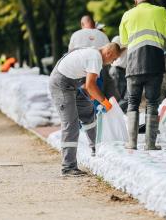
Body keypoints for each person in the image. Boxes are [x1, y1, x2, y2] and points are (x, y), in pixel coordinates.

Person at [49, 43, 123, 177]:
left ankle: (96, 148)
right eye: (113, 59)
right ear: (109, 53)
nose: (112, 63)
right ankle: (68, 167)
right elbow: (90, 85)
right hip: (61, 85)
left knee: (88, 112)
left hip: (71, 84)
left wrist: (94, 98)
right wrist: (104, 102)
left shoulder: (92, 52)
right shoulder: (95, 57)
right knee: (70, 124)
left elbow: (86, 84)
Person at [120, 0, 166, 150]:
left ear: (136, 0)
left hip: (133, 65)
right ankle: (150, 144)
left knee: (132, 102)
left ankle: (132, 143)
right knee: (152, 103)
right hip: (154, 63)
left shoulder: (127, 14)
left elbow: (123, 41)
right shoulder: (161, 11)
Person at [109, 36, 128, 112]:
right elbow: (113, 51)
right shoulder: (118, 38)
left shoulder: (130, 40)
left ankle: (119, 114)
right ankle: (113, 113)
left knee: (124, 96)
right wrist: (126, 46)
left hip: (123, 70)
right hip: (117, 69)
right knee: (121, 97)